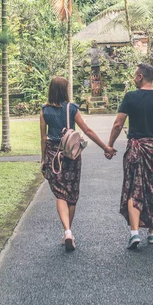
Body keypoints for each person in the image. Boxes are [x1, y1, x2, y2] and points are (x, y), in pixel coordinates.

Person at [106, 63, 153, 250]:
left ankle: (135, 232)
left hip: (135, 147)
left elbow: (117, 124)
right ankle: (152, 233)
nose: (133, 78)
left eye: (134, 75)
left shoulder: (130, 97)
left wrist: (110, 145)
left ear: (140, 77)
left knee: (133, 188)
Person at [40, 76, 115, 251]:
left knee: (60, 194)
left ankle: (67, 231)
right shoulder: (72, 108)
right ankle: (69, 231)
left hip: (53, 155)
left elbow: (44, 137)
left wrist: (43, 158)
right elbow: (87, 131)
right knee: (71, 194)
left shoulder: (44, 110)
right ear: (65, 90)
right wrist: (105, 147)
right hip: (71, 154)